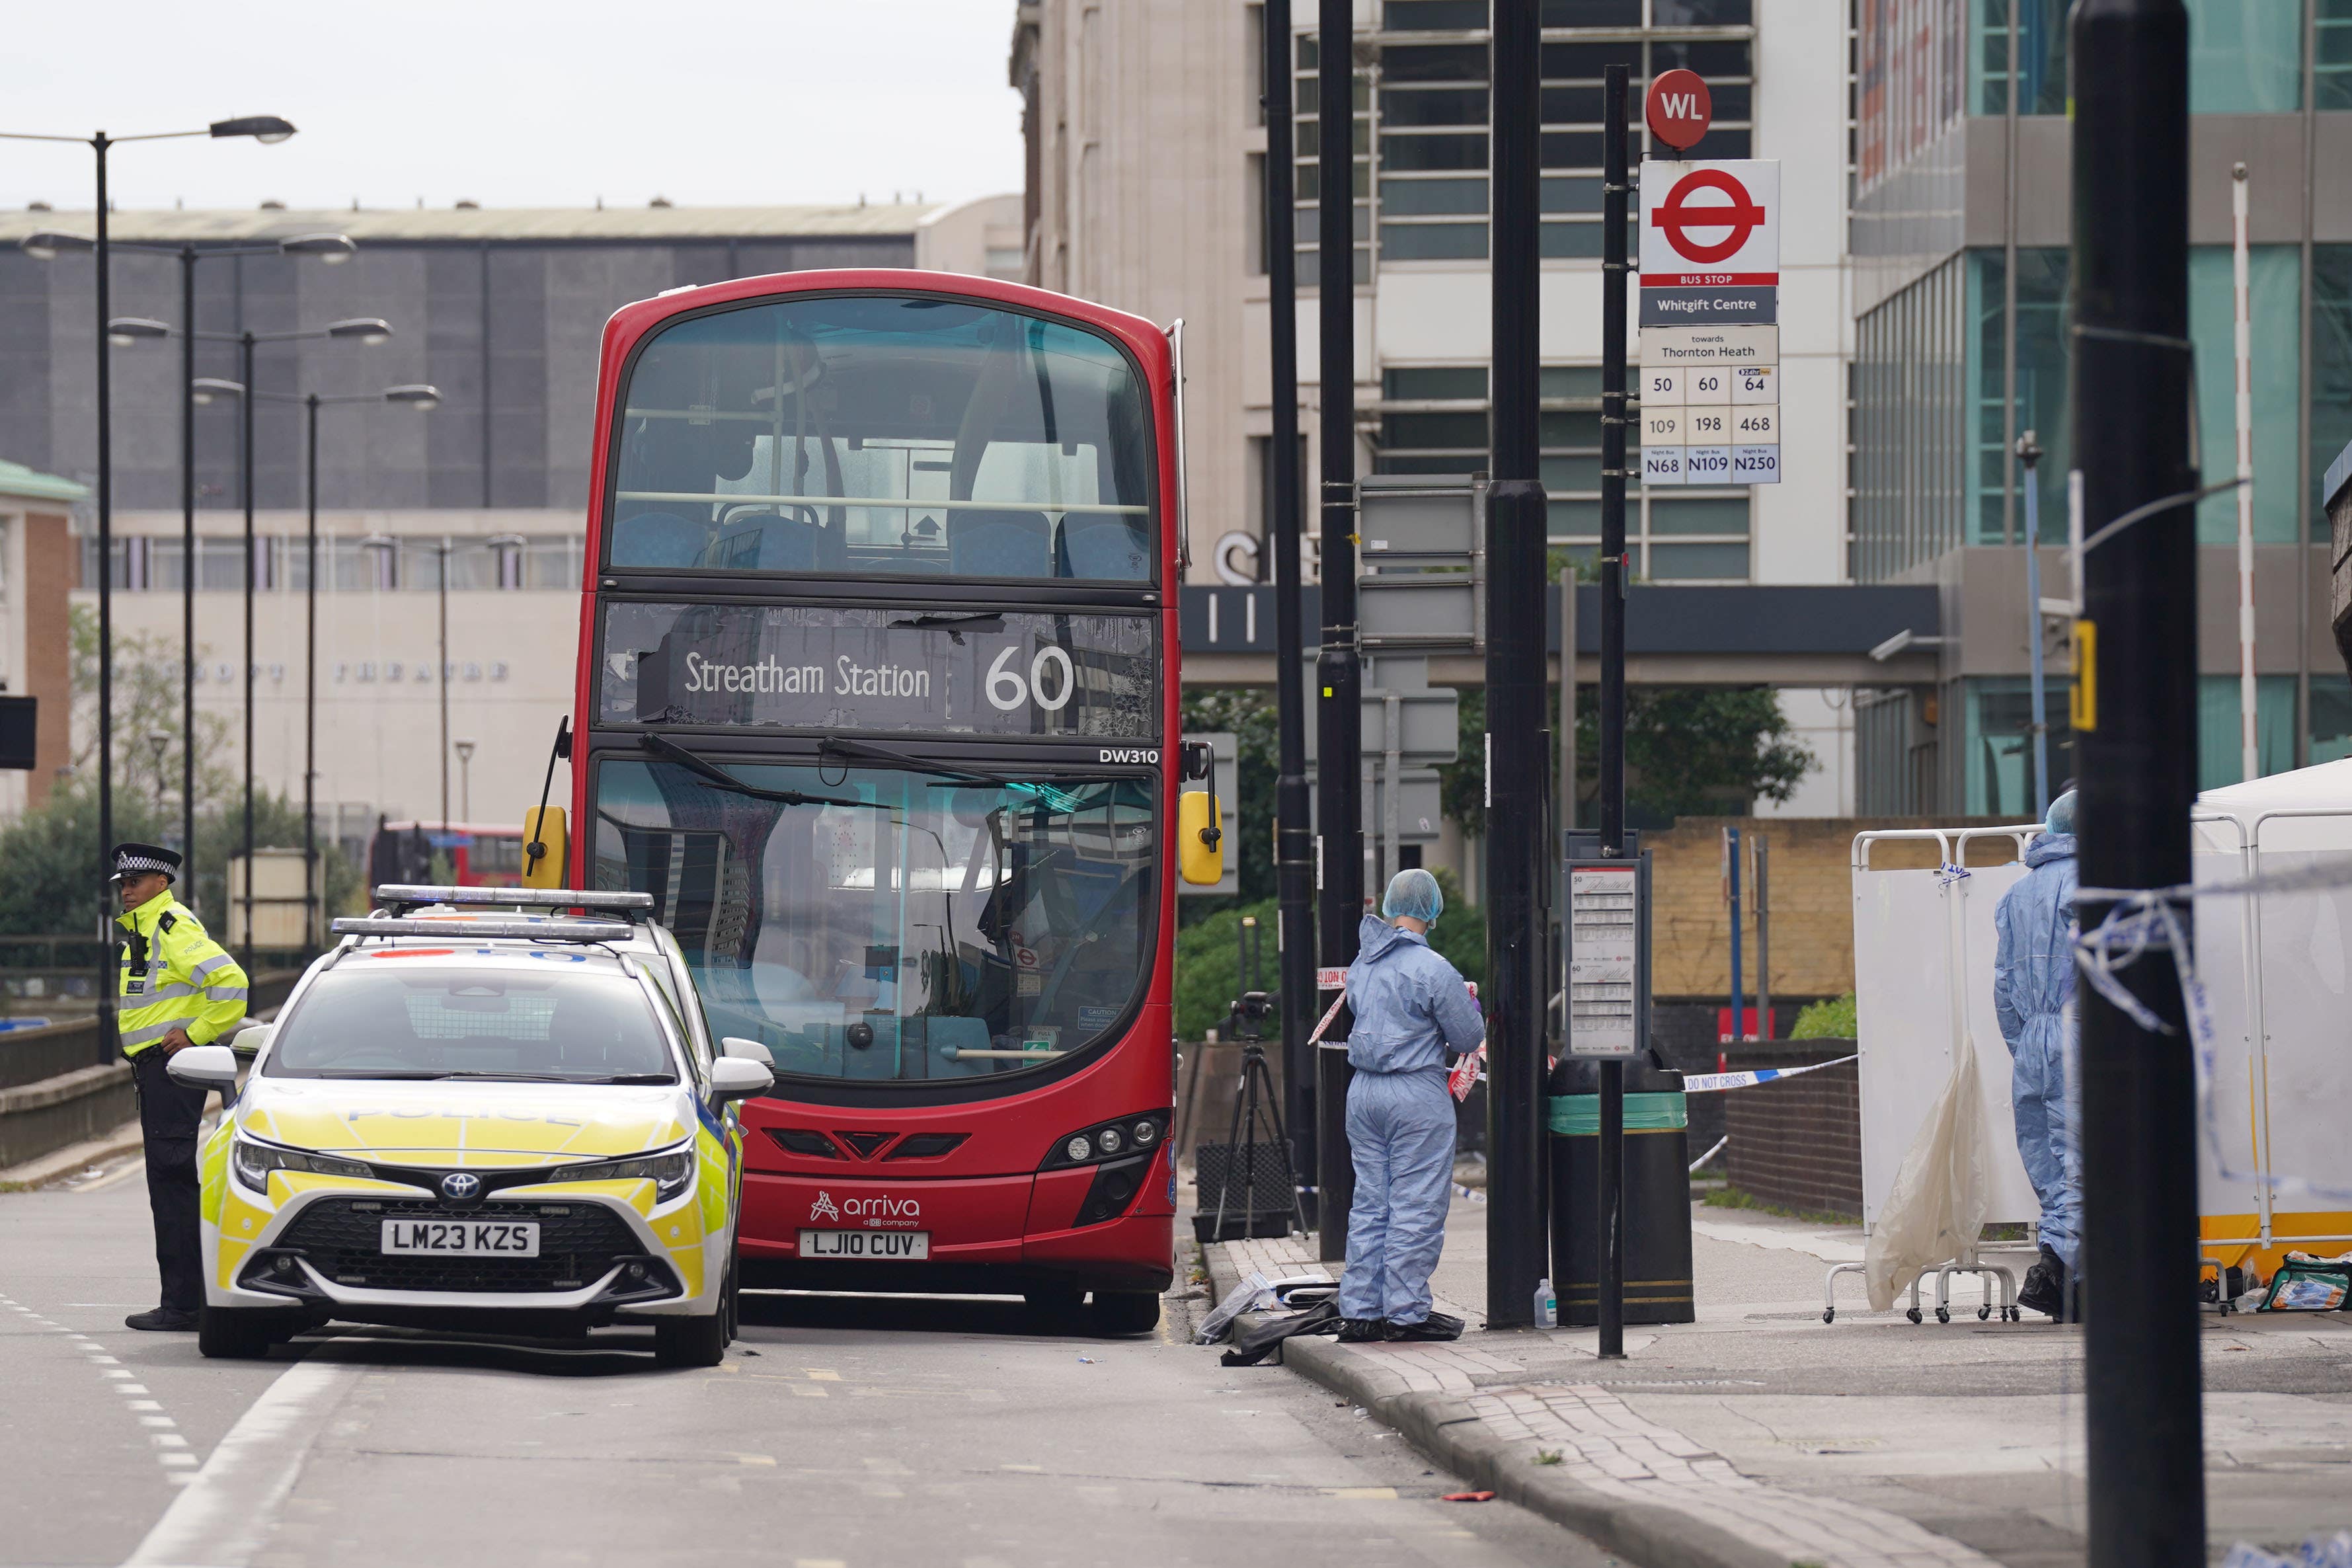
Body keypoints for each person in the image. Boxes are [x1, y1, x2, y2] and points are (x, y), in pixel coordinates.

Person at [1336, 868, 1485, 1343]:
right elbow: (1467, 1036)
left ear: (1390, 905)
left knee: (1371, 1202)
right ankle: (1406, 1313)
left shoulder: (1363, 964)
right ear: (1433, 910)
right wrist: (1470, 1005)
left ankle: (1360, 1311)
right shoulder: (1434, 970)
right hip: (1415, 1093)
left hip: (1363, 1093)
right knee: (1415, 1203)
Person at [112, 843, 250, 1332]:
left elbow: (231, 984)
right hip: (155, 1069)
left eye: (137, 881)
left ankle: (185, 1304)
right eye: (123, 883)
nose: (127, 890)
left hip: (170, 1069)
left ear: (162, 884)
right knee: (167, 1182)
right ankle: (187, 1299)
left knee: (171, 1182)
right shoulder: (143, 930)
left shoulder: (173, 926)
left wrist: (193, 1033)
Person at [1993, 791, 2081, 1320]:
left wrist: (2026, 1045)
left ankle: (2070, 1279)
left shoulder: (2017, 894)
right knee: (2087, 1165)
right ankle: (2054, 1270)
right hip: (2084, 1034)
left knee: (2049, 1166)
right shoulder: (2098, 887)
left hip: (2035, 1041)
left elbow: (2004, 987)